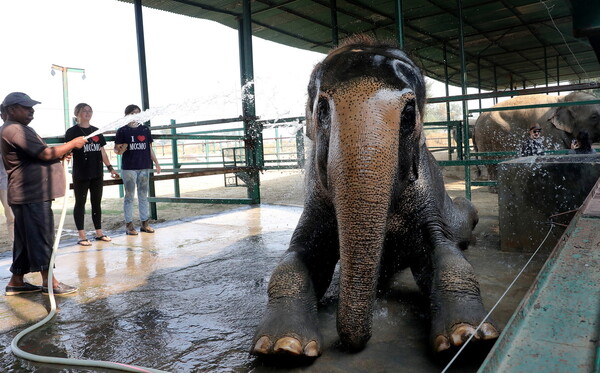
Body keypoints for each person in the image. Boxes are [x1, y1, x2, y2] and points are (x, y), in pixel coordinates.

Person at [1, 92, 88, 296]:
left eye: (32, 107)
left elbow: (38, 155)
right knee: (41, 238)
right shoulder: (14, 129)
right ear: (11, 110)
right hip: (31, 194)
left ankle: (17, 281)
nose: (31, 111)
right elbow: (45, 153)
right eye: (26, 107)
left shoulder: (16, 129)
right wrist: (71, 144)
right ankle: (51, 282)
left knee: (24, 241)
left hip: (27, 194)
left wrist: (60, 153)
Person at [65, 103, 119, 246]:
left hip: (97, 172)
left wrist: (110, 168)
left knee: (97, 202)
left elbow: (102, 152)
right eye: (84, 111)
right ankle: (82, 235)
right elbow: (68, 151)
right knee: (80, 203)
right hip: (81, 173)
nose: (88, 113)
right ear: (77, 114)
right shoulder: (72, 132)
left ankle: (99, 233)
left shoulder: (96, 131)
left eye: (90, 111)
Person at [114, 104, 161, 235]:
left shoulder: (145, 130)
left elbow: (149, 148)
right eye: (133, 113)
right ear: (127, 115)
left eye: (138, 113)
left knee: (143, 196)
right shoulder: (122, 130)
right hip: (129, 168)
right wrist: (122, 148)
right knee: (129, 196)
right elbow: (117, 150)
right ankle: (129, 225)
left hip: (144, 166)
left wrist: (156, 163)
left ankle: (145, 223)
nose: (136, 116)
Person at [0, 106, 14, 244]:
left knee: (14, 216)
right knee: (11, 216)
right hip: (4, 181)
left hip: (12, 181)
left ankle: (18, 248)